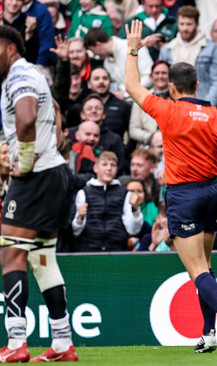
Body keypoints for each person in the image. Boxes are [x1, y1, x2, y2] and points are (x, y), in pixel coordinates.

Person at [125, 20, 217, 354]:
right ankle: (208, 333)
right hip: (213, 193)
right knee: (206, 267)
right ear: (197, 85)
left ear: (173, 88)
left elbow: (131, 85)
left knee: (196, 271)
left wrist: (134, 48)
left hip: (184, 194)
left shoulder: (166, 109)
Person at [0, 25, 77, 362]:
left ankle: (16, 342)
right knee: (42, 258)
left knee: (10, 255)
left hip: (36, 175)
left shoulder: (18, 77)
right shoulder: (34, 74)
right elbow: (57, 112)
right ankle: (62, 343)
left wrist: (26, 160)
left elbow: (27, 120)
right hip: (57, 172)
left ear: (9, 47)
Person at [72, 151, 143, 252]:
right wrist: (80, 217)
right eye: (104, 164)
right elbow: (76, 231)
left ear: (117, 169)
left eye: (113, 165)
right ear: (95, 168)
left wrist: (136, 210)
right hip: (89, 248)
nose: (109, 168)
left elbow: (133, 230)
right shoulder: (83, 193)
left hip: (117, 249)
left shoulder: (124, 193)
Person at [158, 6, 217, 108]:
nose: (185, 28)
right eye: (182, 24)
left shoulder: (213, 48)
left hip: (202, 104)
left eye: (189, 24)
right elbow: (162, 80)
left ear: (197, 24)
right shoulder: (167, 49)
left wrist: (206, 106)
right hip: (174, 107)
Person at [84, 27, 153, 99]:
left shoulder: (133, 47)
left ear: (98, 45)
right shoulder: (107, 63)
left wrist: (126, 94)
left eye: (93, 51)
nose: (95, 55)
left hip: (146, 99)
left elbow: (149, 77)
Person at [129, 60, 170, 148]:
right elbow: (133, 130)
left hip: (172, 147)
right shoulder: (141, 98)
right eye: (157, 73)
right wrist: (151, 137)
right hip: (147, 147)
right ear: (151, 76)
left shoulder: (177, 99)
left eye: (164, 73)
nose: (160, 76)